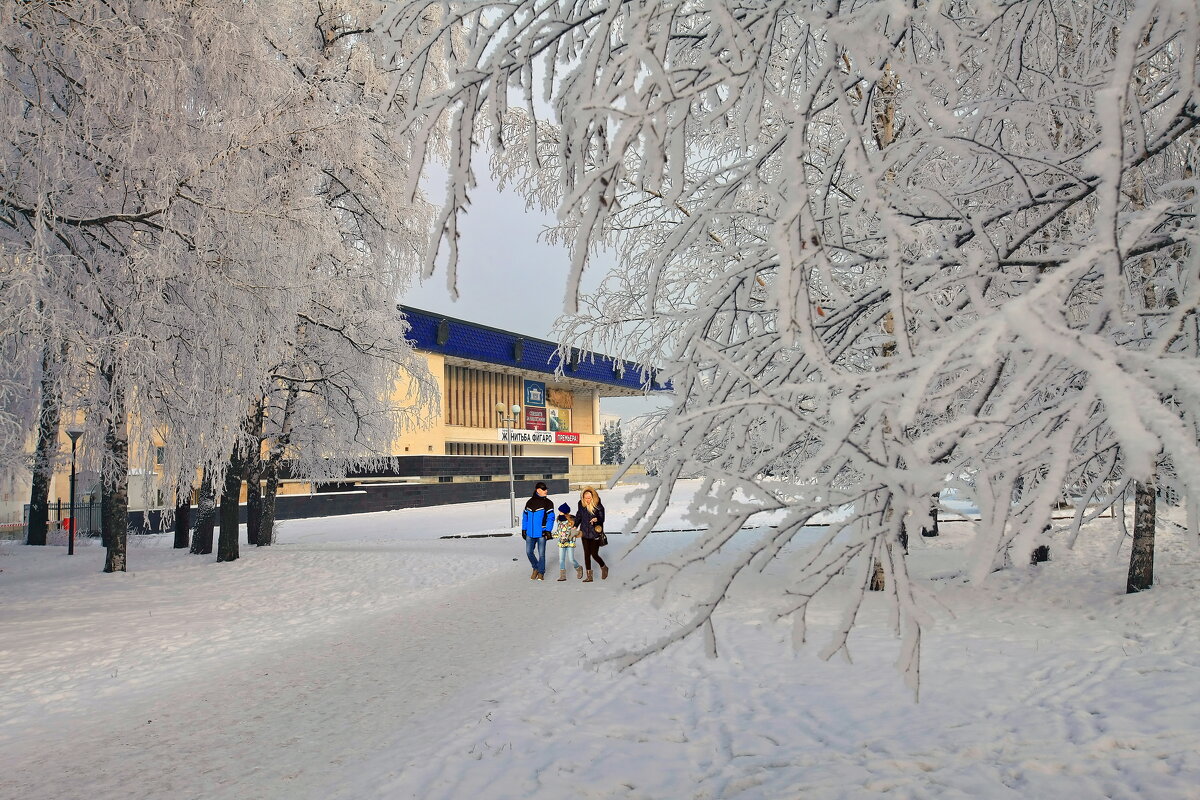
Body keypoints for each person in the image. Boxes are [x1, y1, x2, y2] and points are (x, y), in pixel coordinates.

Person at [521, 481, 555, 580]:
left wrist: (548, 530)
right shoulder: (529, 502)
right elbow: (525, 517)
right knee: (529, 552)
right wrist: (524, 529)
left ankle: (541, 572)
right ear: (538, 490)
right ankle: (535, 567)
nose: (546, 491)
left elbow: (551, 518)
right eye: (544, 489)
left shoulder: (548, 503)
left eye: (546, 489)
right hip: (530, 533)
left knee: (541, 554)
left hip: (541, 533)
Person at [575, 486, 607, 582]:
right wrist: (575, 525)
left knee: (594, 554)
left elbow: (602, 519)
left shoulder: (598, 506)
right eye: (586, 498)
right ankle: (589, 576)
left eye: (589, 498)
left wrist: (597, 519)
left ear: (592, 497)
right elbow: (579, 516)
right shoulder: (581, 504)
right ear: (583, 498)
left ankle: (604, 567)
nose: (588, 500)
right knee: (586, 554)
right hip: (584, 532)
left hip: (595, 533)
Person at [553, 503, 584, 581]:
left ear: (565, 512)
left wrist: (566, 538)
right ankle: (563, 576)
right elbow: (558, 532)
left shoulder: (571, 521)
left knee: (571, 559)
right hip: (561, 543)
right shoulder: (559, 520)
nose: (559, 512)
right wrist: (551, 536)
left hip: (570, 542)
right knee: (561, 559)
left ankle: (578, 568)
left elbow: (571, 532)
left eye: (561, 511)